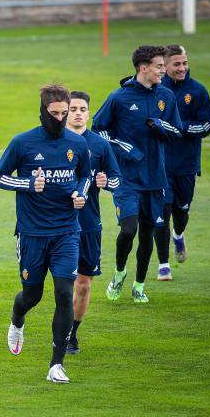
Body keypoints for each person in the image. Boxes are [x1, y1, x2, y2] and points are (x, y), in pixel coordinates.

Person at [0, 84, 91, 383]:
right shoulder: (23, 143)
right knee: (31, 295)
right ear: (43, 111)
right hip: (32, 233)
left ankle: (56, 365)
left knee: (64, 293)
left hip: (66, 232)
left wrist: (80, 194)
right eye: (55, 113)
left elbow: (85, 175)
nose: (61, 118)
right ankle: (17, 317)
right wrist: (26, 184)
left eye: (65, 113)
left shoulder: (77, 145)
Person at [93, 45, 183, 303]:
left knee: (148, 234)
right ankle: (119, 272)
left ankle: (139, 285)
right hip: (126, 178)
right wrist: (124, 147)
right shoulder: (119, 98)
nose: (163, 71)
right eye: (159, 66)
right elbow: (99, 130)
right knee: (129, 229)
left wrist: (159, 125)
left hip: (155, 178)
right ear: (143, 68)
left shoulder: (166, 96)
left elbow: (177, 132)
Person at [64, 91, 121, 355]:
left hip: (88, 223)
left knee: (84, 284)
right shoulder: (54, 142)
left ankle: (71, 333)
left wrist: (106, 182)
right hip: (57, 224)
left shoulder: (100, 145)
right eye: (72, 108)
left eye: (82, 109)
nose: (77, 113)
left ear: (88, 113)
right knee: (61, 283)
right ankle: (60, 330)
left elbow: (117, 179)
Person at [153, 44, 210, 280]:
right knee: (163, 210)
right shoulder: (156, 90)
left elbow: (208, 124)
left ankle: (179, 235)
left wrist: (181, 129)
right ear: (165, 65)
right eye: (176, 64)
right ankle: (163, 264)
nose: (182, 68)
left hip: (187, 164)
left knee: (181, 211)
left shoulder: (197, 91)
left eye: (185, 63)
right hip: (160, 165)